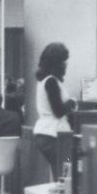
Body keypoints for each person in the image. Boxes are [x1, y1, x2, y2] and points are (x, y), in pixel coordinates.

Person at [33, 42, 76, 179]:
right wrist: (72, 102)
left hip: (45, 134)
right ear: (56, 64)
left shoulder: (44, 81)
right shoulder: (51, 82)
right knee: (65, 174)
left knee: (60, 173)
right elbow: (58, 111)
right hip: (54, 134)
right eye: (63, 62)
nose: (65, 65)